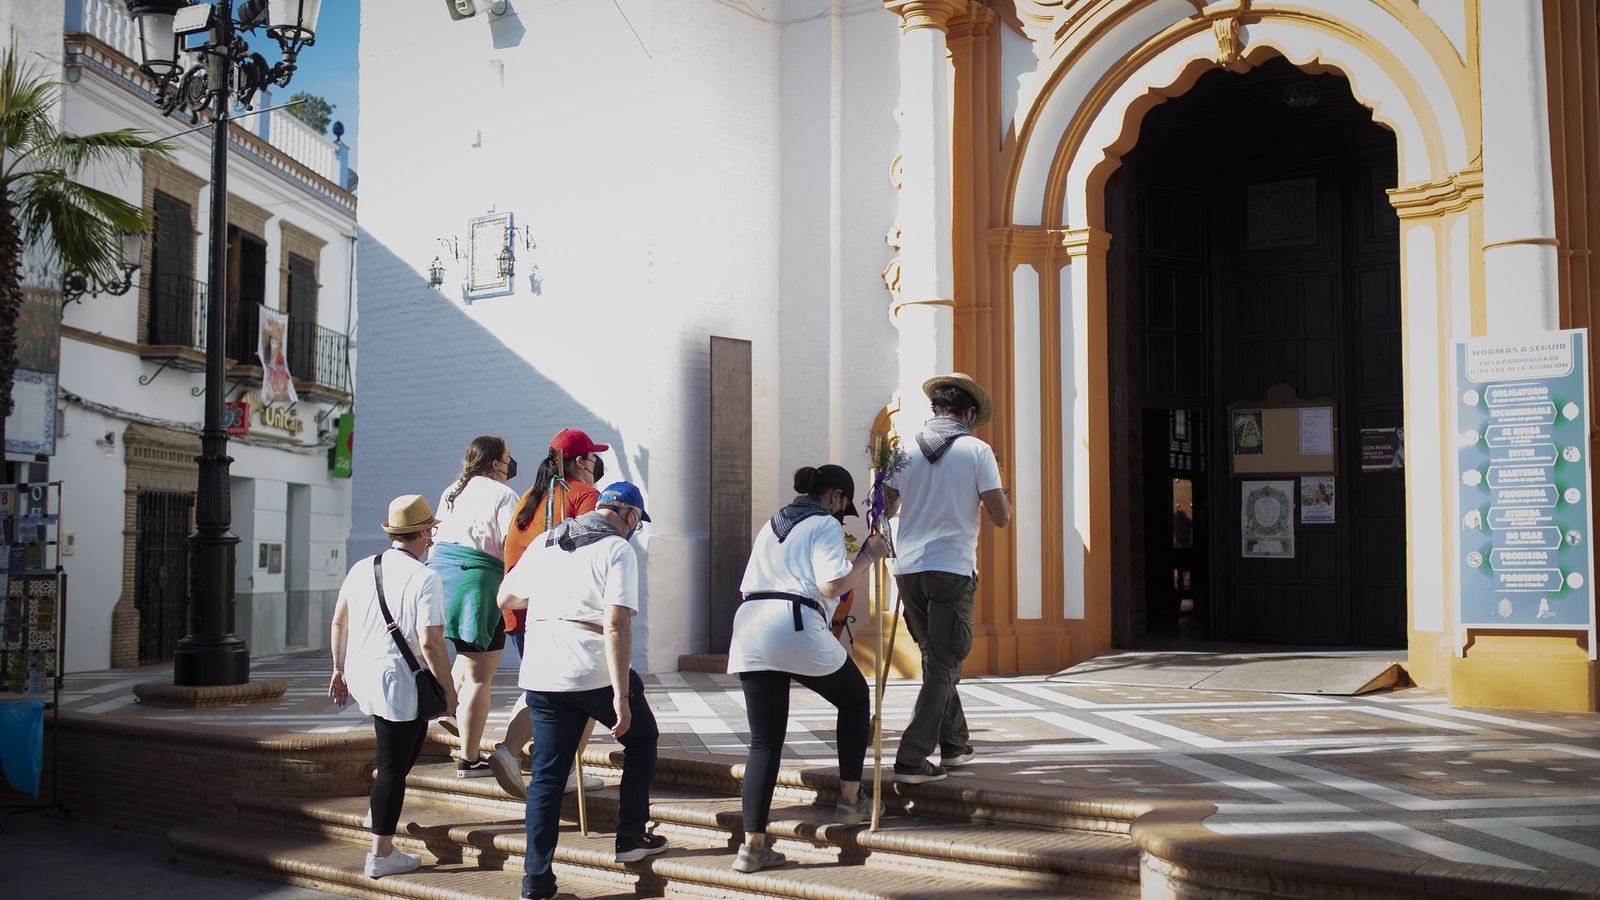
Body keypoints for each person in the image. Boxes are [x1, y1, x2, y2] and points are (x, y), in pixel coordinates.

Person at [497, 481, 667, 900]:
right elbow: (616, 624)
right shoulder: (617, 549)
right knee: (641, 737)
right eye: (637, 524)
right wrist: (621, 698)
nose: (635, 531)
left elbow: (506, 595)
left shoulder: (547, 541)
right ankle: (630, 838)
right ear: (629, 516)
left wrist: (554, 598)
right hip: (590, 667)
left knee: (548, 777)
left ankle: (536, 881)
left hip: (542, 668)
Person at [726, 465, 889, 873]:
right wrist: (868, 556)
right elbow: (832, 584)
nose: (841, 516)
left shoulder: (773, 523)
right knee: (854, 699)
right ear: (834, 497)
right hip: (793, 622)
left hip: (749, 624)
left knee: (764, 742)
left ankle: (752, 847)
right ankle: (851, 799)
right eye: (843, 507)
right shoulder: (824, 524)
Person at [884, 373, 1011, 784]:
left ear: (935, 409)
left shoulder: (902, 450)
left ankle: (954, 744)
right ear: (969, 413)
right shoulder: (977, 450)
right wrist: (993, 494)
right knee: (945, 661)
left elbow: (881, 508)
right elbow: (1000, 517)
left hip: (909, 569)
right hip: (951, 568)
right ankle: (912, 757)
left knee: (934, 658)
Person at [328, 494, 458, 879]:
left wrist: (338, 669)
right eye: (430, 531)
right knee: (391, 769)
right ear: (420, 533)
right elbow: (431, 641)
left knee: (399, 758)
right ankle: (381, 853)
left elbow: (339, 623)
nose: (433, 538)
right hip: (397, 681)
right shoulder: (425, 578)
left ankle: (379, 809)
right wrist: (449, 690)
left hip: (365, 674)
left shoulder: (361, 568)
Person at [488, 428, 610, 799]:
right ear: (578, 462)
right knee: (585, 688)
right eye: (591, 457)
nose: (595, 464)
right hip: (557, 609)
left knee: (546, 689)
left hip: (520, 606)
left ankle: (532, 759)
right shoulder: (585, 494)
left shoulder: (531, 494)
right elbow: (591, 547)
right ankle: (545, 763)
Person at [431, 435, 520, 778]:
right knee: (481, 677)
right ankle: (469, 759)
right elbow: (509, 542)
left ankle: (448, 705)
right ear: (497, 463)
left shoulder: (451, 490)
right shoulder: (503, 494)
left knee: (466, 658)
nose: (511, 464)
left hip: (441, 576)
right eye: (508, 458)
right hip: (476, 582)